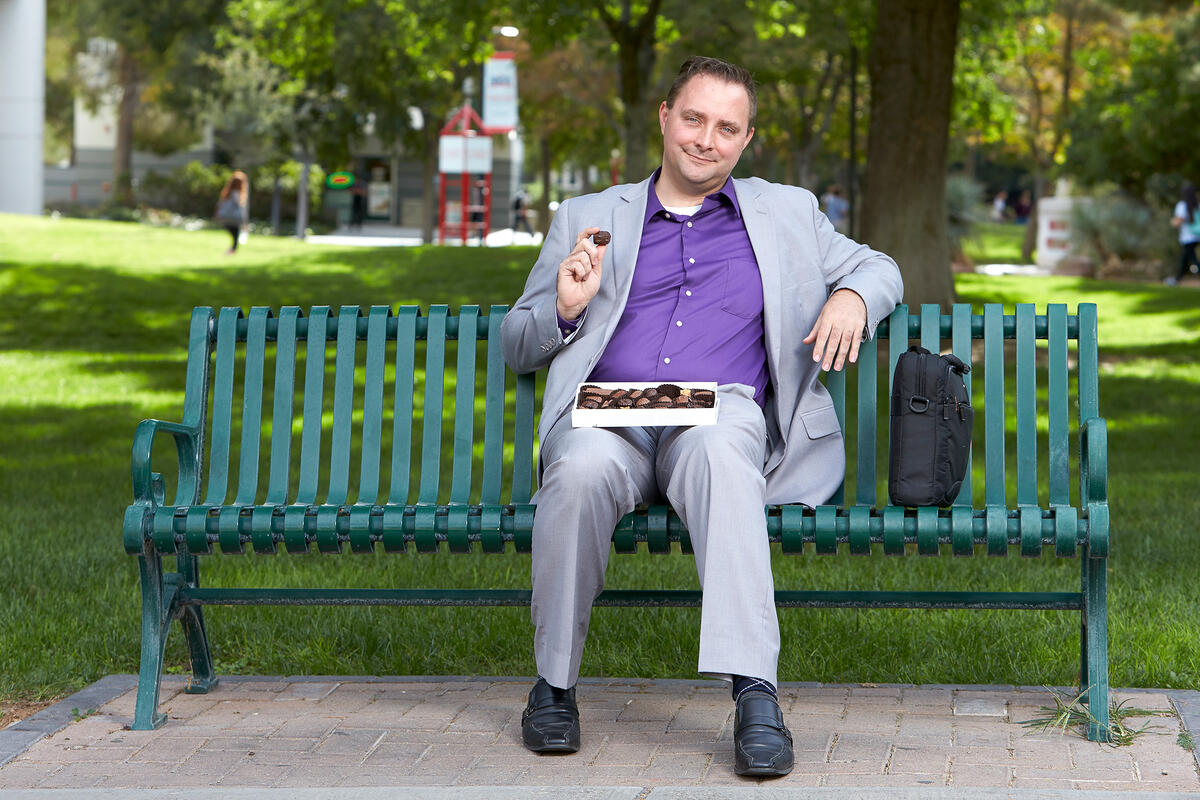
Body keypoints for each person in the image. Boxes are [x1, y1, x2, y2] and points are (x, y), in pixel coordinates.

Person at [500, 56, 903, 778]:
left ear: (745, 139)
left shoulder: (786, 212)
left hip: (718, 416)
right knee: (578, 472)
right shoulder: (590, 218)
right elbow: (517, 345)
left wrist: (852, 297)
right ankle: (553, 686)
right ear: (665, 117)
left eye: (726, 127)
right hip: (610, 418)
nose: (706, 140)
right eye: (694, 119)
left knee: (721, 452)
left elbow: (881, 267)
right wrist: (564, 308)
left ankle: (755, 693)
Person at [1167, 182, 1200, 286]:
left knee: (1193, 260)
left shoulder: (1182, 205)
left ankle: (1176, 280)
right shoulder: (1197, 205)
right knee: (1185, 260)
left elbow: (1178, 221)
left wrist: (1172, 222)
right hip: (1197, 236)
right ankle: (1177, 279)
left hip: (1187, 237)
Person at [214, 171, 249, 254]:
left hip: (226, 217)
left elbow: (219, 204)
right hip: (234, 218)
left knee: (234, 235)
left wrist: (217, 214)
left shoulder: (227, 192)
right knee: (236, 235)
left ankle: (231, 250)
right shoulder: (236, 193)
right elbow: (239, 207)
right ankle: (232, 250)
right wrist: (244, 221)